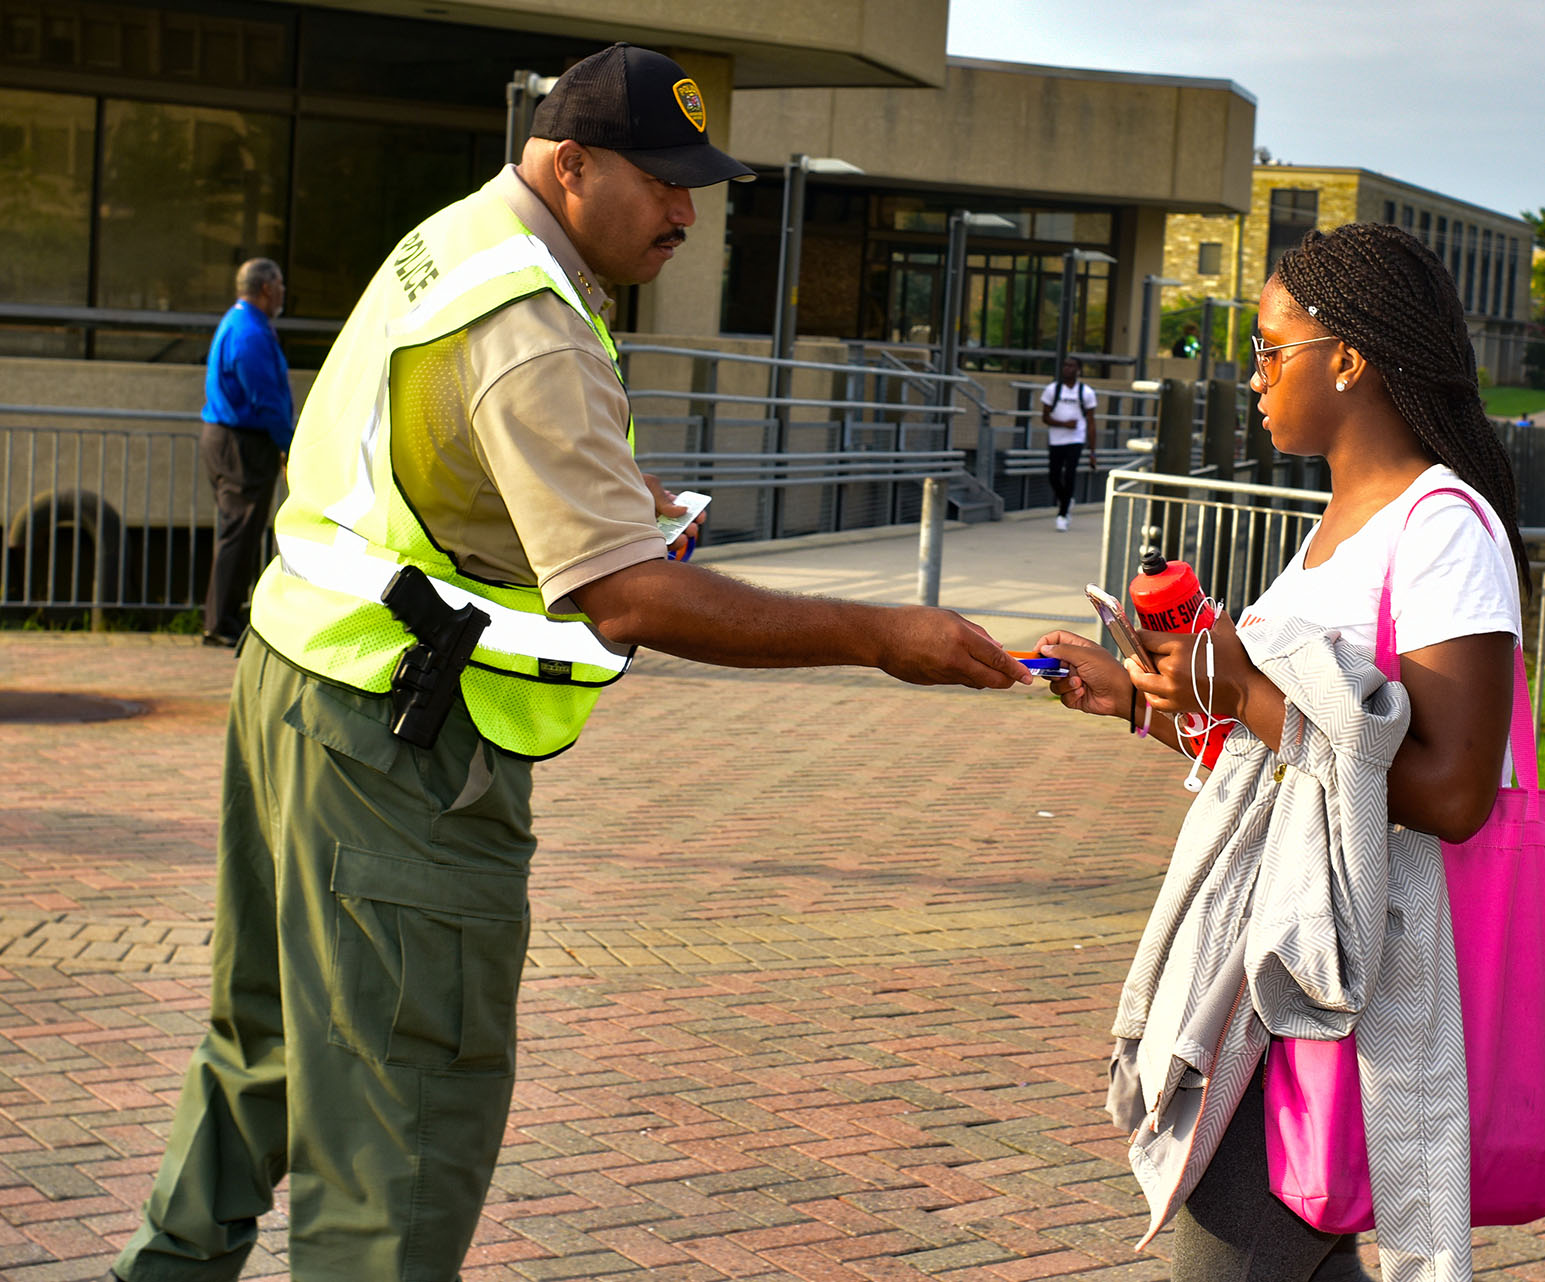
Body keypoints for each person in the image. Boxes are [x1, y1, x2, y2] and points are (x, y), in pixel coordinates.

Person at [108, 44, 1029, 1282]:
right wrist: (880, 634)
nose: (687, 214)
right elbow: (630, 594)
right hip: (400, 749)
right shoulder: (532, 320)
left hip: (295, 688)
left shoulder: (458, 242)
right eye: (663, 183)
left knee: (262, 1041)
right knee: (405, 1116)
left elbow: (444, 457)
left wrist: (607, 490)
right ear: (572, 162)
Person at [1036, 222, 1528, 1282]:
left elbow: (1450, 792)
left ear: (1347, 357)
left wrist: (1251, 689)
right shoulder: (1335, 526)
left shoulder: (1443, 529)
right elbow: (1286, 754)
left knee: (1234, 1252)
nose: (1250, 376)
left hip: (1357, 965)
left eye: (1269, 349)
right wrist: (1131, 697)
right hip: (1288, 943)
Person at [198, 257, 293, 647]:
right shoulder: (250, 333)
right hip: (241, 444)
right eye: (281, 285)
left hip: (232, 440)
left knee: (241, 530)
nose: (285, 292)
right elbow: (265, 398)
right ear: (267, 288)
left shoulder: (241, 322)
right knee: (239, 532)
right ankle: (219, 623)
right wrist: (289, 445)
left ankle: (226, 616)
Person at [1039, 355, 1097, 530]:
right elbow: (1045, 417)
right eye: (1065, 365)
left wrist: (1092, 451)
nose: (1067, 369)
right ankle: (1066, 499)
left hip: (1076, 439)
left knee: (1070, 474)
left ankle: (1062, 515)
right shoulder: (1052, 390)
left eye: (1071, 366)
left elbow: (1091, 422)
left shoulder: (1086, 392)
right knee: (1053, 475)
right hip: (1056, 440)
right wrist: (1064, 424)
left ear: (1078, 370)